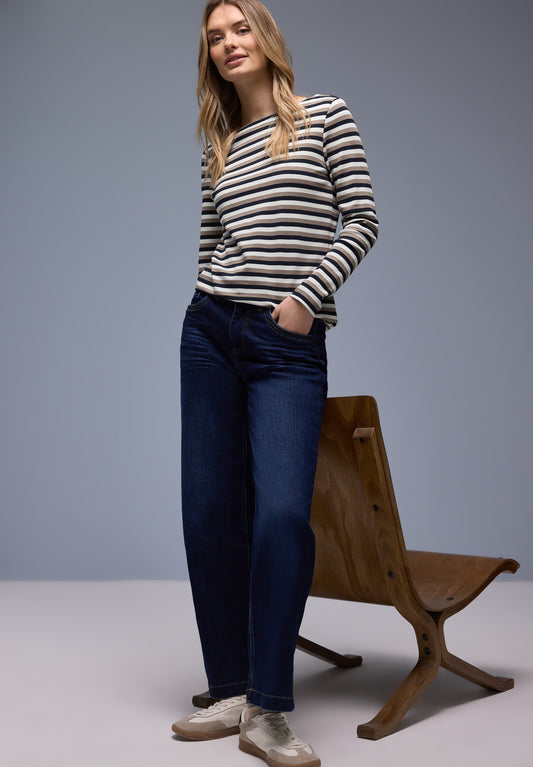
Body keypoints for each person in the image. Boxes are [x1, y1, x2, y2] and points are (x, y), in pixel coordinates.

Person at [172, 1, 378, 764]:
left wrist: (304, 299)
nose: (228, 44)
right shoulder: (219, 144)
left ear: (266, 37)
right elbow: (210, 244)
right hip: (209, 333)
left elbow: (362, 219)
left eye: (239, 29)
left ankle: (268, 708)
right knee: (209, 512)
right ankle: (230, 687)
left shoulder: (325, 116)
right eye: (214, 38)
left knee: (282, 515)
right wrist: (207, 306)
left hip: (284, 342)